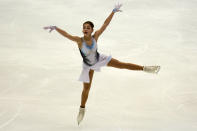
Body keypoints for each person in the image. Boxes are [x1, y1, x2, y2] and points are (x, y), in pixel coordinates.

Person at [43, 3, 160, 125]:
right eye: (84, 27)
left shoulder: (95, 36)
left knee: (122, 64)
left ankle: (146, 68)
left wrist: (113, 12)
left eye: (88, 27)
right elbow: (67, 35)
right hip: (88, 66)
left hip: (99, 59)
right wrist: (56, 28)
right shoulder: (79, 40)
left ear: (92, 30)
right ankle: (82, 109)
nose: (86, 29)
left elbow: (105, 24)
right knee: (86, 89)